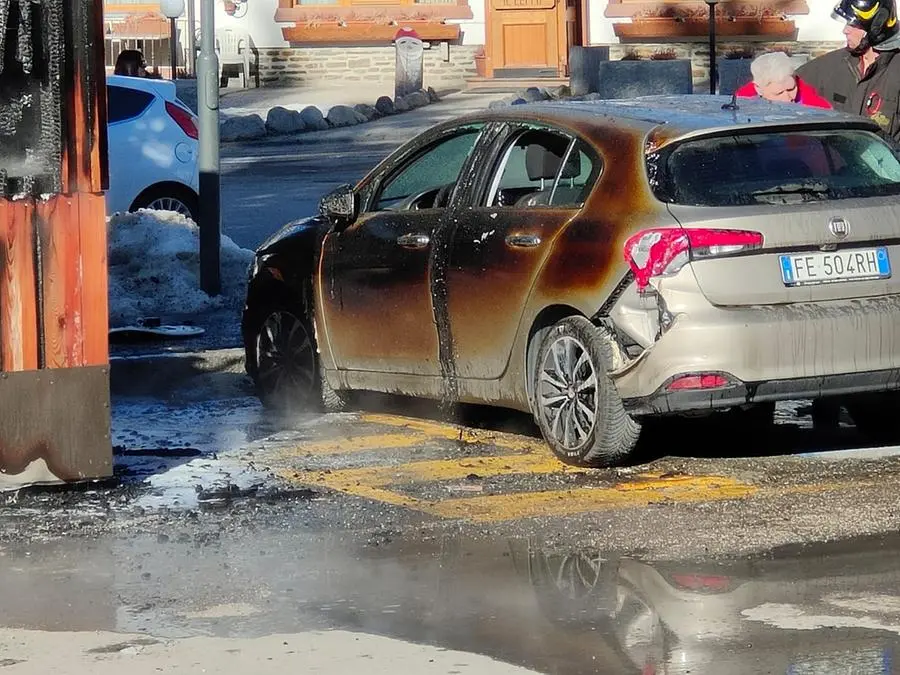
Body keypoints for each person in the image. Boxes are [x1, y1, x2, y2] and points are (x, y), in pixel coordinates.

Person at [796, 0, 900, 142]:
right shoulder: (833, 64)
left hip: (885, 162)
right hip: (842, 161)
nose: (845, 30)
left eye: (853, 24)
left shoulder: (895, 69)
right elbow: (782, 84)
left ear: (876, 28)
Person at [735, 52, 832, 108]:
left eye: (791, 89)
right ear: (758, 89)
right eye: (778, 93)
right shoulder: (741, 106)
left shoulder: (817, 107)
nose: (788, 98)